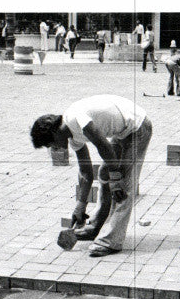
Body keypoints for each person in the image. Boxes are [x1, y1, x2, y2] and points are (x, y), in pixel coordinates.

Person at [30, 95, 152, 257]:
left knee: (124, 186)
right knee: (104, 173)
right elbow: (86, 172)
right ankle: (95, 226)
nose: (53, 149)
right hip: (124, 130)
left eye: (50, 144)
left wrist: (116, 179)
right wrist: (80, 205)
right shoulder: (71, 137)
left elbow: (103, 145)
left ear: (55, 132)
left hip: (138, 127)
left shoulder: (75, 119)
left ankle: (110, 241)